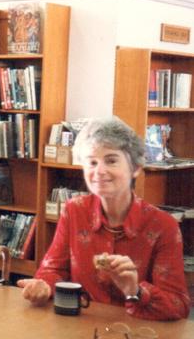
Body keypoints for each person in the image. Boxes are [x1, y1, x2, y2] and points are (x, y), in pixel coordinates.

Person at [17, 117, 190, 320]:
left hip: (138, 335)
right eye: (91, 162)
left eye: (111, 160)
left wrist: (135, 290)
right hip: (81, 329)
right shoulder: (74, 211)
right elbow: (54, 269)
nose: (99, 171)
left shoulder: (163, 225)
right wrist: (44, 285)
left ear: (135, 168)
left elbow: (178, 306)